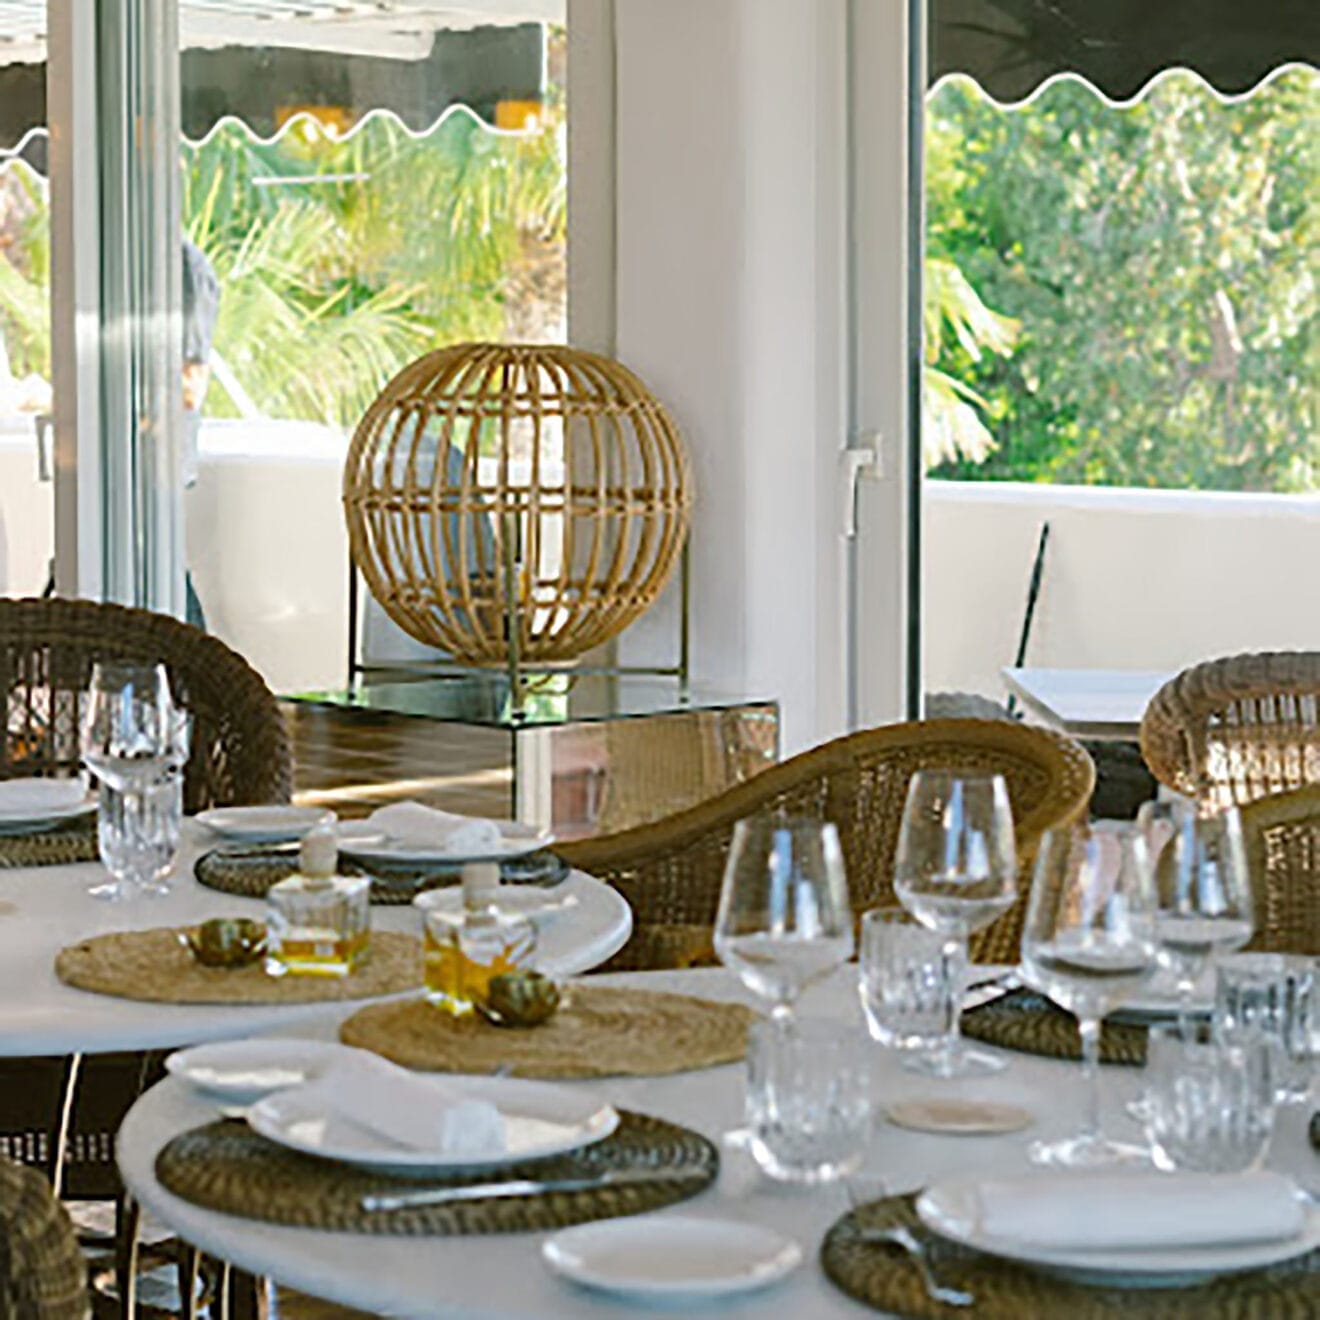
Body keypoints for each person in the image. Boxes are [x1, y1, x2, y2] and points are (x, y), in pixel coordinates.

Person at [182, 240, 219, 630]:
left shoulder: (183, 267)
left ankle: (194, 685)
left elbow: (190, 383)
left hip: (153, 453)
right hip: (129, 453)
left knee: (163, 572)